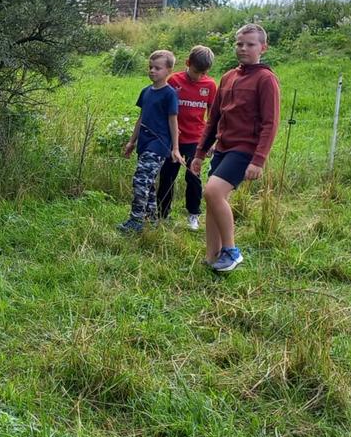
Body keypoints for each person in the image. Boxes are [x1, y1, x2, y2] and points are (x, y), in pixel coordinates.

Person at [190, 24, 280, 271]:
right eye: (239, 44)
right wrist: (200, 153)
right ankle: (212, 257)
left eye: (250, 44)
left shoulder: (266, 79)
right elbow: (214, 119)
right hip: (223, 147)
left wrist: (258, 160)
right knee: (213, 200)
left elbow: (271, 123)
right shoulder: (228, 77)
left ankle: (231, 251)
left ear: (263, 48)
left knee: (213, 192)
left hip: (245, 149)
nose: (243, 48)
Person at [119, 50, 183, 233]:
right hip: (144, 143)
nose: (152, 71)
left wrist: (175, 148)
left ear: (169, 70)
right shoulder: (146, 91)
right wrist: (132, 142)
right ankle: (151, 218)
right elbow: (141, 118)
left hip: (159, 145)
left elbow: (173, 121)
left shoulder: (169, 94)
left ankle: (136, 220)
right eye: (150, 67)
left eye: (157, 68)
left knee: (140, 180)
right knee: (148, 183)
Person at [157, 45, 217, 230]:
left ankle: (193, 214)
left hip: (196, 140)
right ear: (187, 63)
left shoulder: (210, 85)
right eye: (196, 71)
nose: (199, 76)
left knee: (193, 177)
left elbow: (213, 115)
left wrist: (211, 141)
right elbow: (164, 108)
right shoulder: (174, 80)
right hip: (173, 139)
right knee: (167, 176)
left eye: (203, 73)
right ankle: (162, 214)